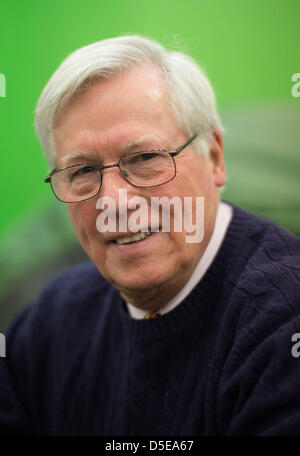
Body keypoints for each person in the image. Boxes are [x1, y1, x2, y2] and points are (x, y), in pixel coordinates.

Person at [1, 35, 300, 436]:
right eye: (83, 172)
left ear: (214, 157)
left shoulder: (282, 321)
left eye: (144, 159)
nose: (114, 202)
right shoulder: (53, 319)